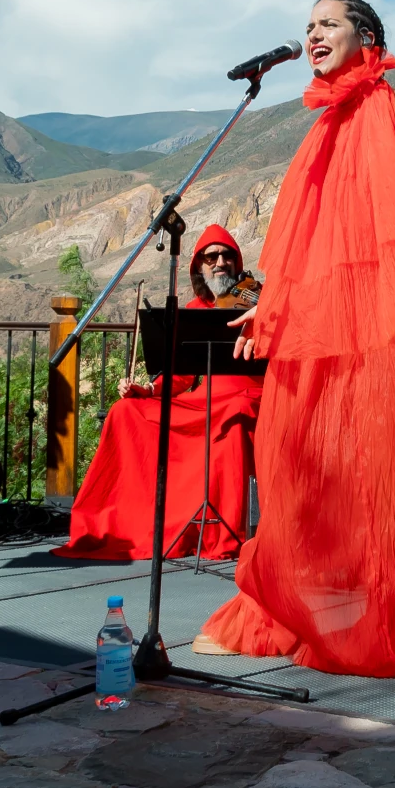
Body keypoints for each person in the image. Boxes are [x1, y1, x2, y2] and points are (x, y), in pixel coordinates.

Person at [193, 0, 395, 677]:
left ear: (368, 36)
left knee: (388, 473)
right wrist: (272, 308)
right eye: (307, 27)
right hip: (326, 328)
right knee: (305, 474)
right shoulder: (321, 130)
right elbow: (308, 248)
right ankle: (296, 611)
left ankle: (390, 616)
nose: (313, 35)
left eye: (328, 24)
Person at [53, 225, 264, 562]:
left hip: (249, 396)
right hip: (204, 402)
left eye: (227, 256)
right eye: (212, 257)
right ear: (199, 266)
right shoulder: (193, 310)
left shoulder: (256, 301)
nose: (220, 262)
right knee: (126, 412)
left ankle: (226, 529)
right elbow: (180, 376)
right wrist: (148, 388)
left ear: (237, 262)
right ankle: (131, 520)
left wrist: (267, 309)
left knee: (235, 416)